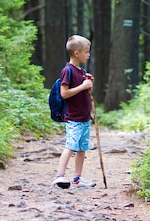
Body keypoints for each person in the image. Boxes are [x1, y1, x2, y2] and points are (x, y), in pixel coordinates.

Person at [51, 35, 96, 189]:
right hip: (74, 117)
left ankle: (77, 177)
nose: (88, 55)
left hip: (84, 117)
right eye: (86, 52)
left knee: (82, 148)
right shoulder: (67, 71)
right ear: (76, 53)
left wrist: (88, 84)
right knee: (71, 146)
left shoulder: (81, 70)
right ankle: (60, 176)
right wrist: (83, 86)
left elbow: (83, 91)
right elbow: (64, 93)